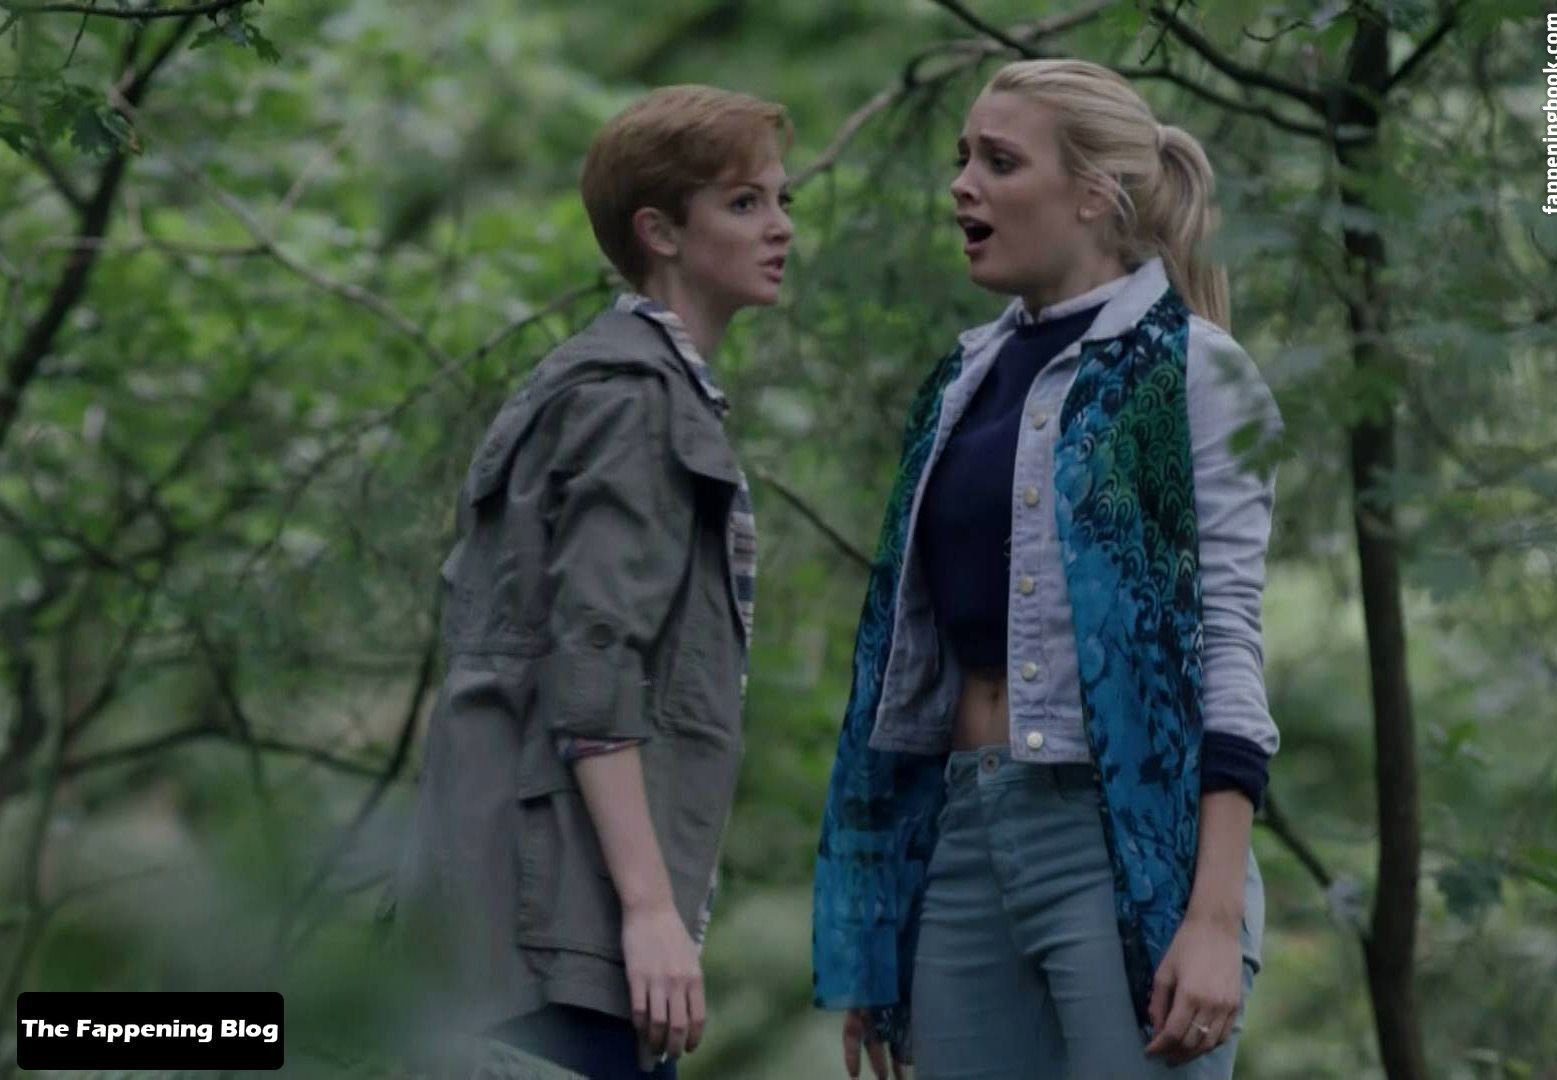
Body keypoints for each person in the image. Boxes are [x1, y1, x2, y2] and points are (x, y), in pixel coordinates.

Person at [812, 59, 1283, 1079]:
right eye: (962, 158)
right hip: (965, 839)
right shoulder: (961, 381)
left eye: (999, 161)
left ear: (1093, 194)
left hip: (1123, 848)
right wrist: (882, 915)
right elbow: (909, 664)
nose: (961, 185)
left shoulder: (1195, 370)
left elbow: (1228, 647)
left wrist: (1210, 917)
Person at [387, 84, 793, 1079]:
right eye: (745, 203)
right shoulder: (632, 401)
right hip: (559, 925)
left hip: (507, 915)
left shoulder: (594, 382)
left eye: (782, 200)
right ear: (660, 231)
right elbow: (593, 668)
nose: (780, 227)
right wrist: (649, 914)